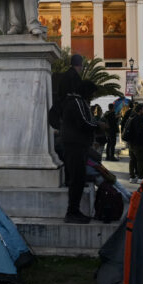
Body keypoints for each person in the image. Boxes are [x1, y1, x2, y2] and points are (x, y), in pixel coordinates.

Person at [58, 54, 96, 224]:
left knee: (78, 178)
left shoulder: (75, 100)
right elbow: (84, 122)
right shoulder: (76, 101)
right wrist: (99, 128)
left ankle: (74, 211)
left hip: (76, 143)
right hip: (75, 144)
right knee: (77, 179)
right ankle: (72, 212)